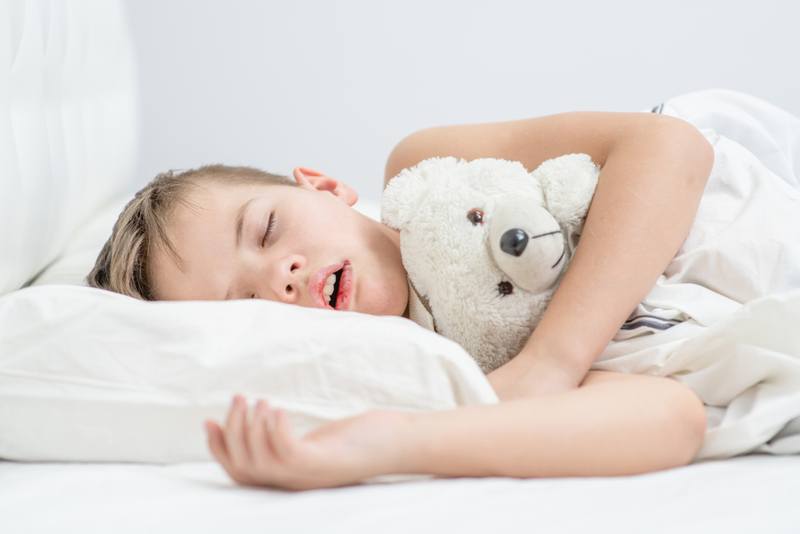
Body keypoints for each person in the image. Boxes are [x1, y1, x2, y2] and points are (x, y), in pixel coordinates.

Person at [87, 108, 715, 490]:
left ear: (325, 186)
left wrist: (553, 360)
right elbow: (673, 419)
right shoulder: (437, 367)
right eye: (247, 302)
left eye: (267, 230)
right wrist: (389, 444)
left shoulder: (428, 167)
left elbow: (671, 145)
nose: (284, 274)